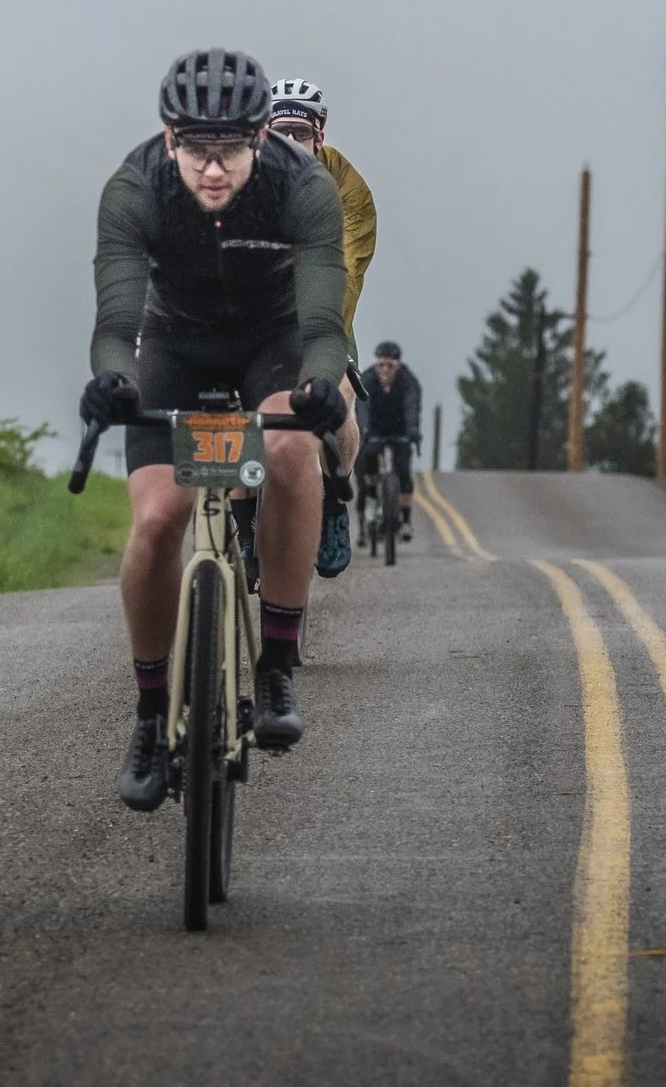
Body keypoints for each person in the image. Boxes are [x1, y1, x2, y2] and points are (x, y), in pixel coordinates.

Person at [84, 48, 349, 811]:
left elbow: (324, 322)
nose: (211, 168)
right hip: (174, 344)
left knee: (294, 446)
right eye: (195, 148)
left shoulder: (304, 188)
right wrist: (114, 382)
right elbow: (116, 324)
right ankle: (146, 712)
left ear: (261, 138)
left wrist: (322, 385)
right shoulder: (134, 188)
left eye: (228, 148)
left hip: (274, 341)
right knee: (160, 518)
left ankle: (275, 663)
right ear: (169, 139)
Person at [266, 77, 374, 576]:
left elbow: (348, 268)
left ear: (319, 135)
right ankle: (241, 519)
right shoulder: (241, 175)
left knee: (341, 397)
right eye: (278, 131)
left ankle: (334, 500)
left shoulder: (348, 188)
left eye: (298, 132)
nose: (289, 143)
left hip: (329, 306)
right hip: (259, 309)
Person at [357, 340, 423, 539]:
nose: (385, 370)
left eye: (390, 366)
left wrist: (413, 431)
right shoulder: (367, 379)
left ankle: (405, 520)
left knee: (403, 471)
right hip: (374, 430)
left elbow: (412, 407)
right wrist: (365, 428)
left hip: (400, 430)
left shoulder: (409, 382)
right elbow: (362, 407)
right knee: (368, 458)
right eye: (381, 365)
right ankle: (370, 498)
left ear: (398, 365)